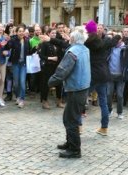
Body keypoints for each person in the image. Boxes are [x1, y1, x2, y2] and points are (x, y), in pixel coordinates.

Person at [48, 26, 90, 158]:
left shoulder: (73, 52)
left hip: (76, 89)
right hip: (82, 88)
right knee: (70, 117)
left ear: (72, 38)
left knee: (70, 119)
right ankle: (70, 143)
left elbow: (62, 71)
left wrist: (50, 82)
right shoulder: (85, 49)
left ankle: (74, 149)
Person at [5, 26, 30, 108]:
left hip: (23, 64)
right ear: (17, 32)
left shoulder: (26, 41)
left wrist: (36, 49)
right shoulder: (14, 40)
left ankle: (22, 99)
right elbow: (8, 47)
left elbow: (29, 51)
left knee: (22, 82)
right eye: (19, 31)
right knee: (16, 83)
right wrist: (8, 40)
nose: (21, 33)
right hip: (15, 64)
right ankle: (18, 96)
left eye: (22, 31)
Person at [38, 28, 63, 109]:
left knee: (59, 83)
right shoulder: (45, 43)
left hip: (57, 66)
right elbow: (41, 56)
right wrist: (50, 58)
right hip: (48, 66)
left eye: (55, 33)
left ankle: (59, 101)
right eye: (52, 33)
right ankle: (44, 101)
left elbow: (61, 54)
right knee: (46, 84)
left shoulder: (57, 43)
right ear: (48, 34)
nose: (54, 35)